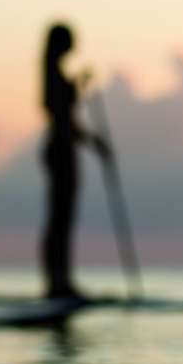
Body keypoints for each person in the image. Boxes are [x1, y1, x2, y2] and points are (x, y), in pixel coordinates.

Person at [40, 22, 109, 300]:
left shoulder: (55, 74)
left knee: (62, 219)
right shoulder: (51, 74)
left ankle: (61, 280)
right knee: (60, 219)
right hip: (60, 151)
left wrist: (93, 142)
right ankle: (58, 283)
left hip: (64, 149)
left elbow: (68, 117)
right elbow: (61, 115)